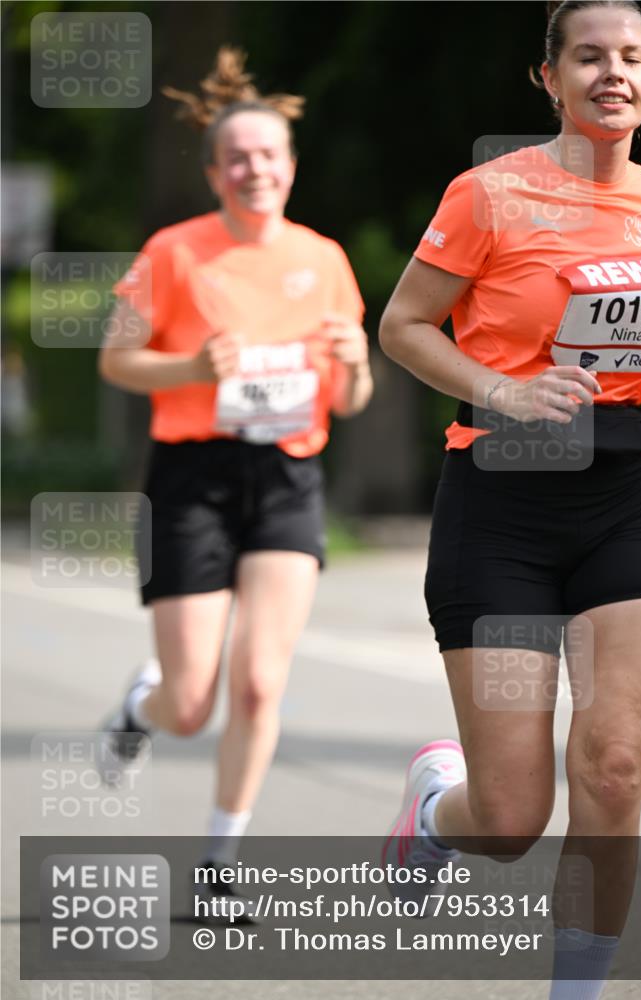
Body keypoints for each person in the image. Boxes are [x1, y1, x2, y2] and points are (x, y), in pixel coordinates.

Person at [380, 2, 641, 997]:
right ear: (548, 79)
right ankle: (433, 805)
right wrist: (502, 389)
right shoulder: (489, 195)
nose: (611, 73)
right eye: (587, 57)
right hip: (499, 504)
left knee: (616, 768)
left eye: (630, 56)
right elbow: (404, 324)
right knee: (508, 818)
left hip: (622, 499)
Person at [97, 47, 372, 907]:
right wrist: (190, 371)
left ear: (290, 167)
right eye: (239, 157)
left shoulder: (323, 257)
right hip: (192, 476)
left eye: (270, 155)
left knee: (258, 682)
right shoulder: (173, 252)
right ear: (216, 170)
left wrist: (357, 362)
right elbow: (115, 360)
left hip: (288, 473)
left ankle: (220, 865)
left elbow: (352, 397)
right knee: (191, 703)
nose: (256, 168)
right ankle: (141, 709)